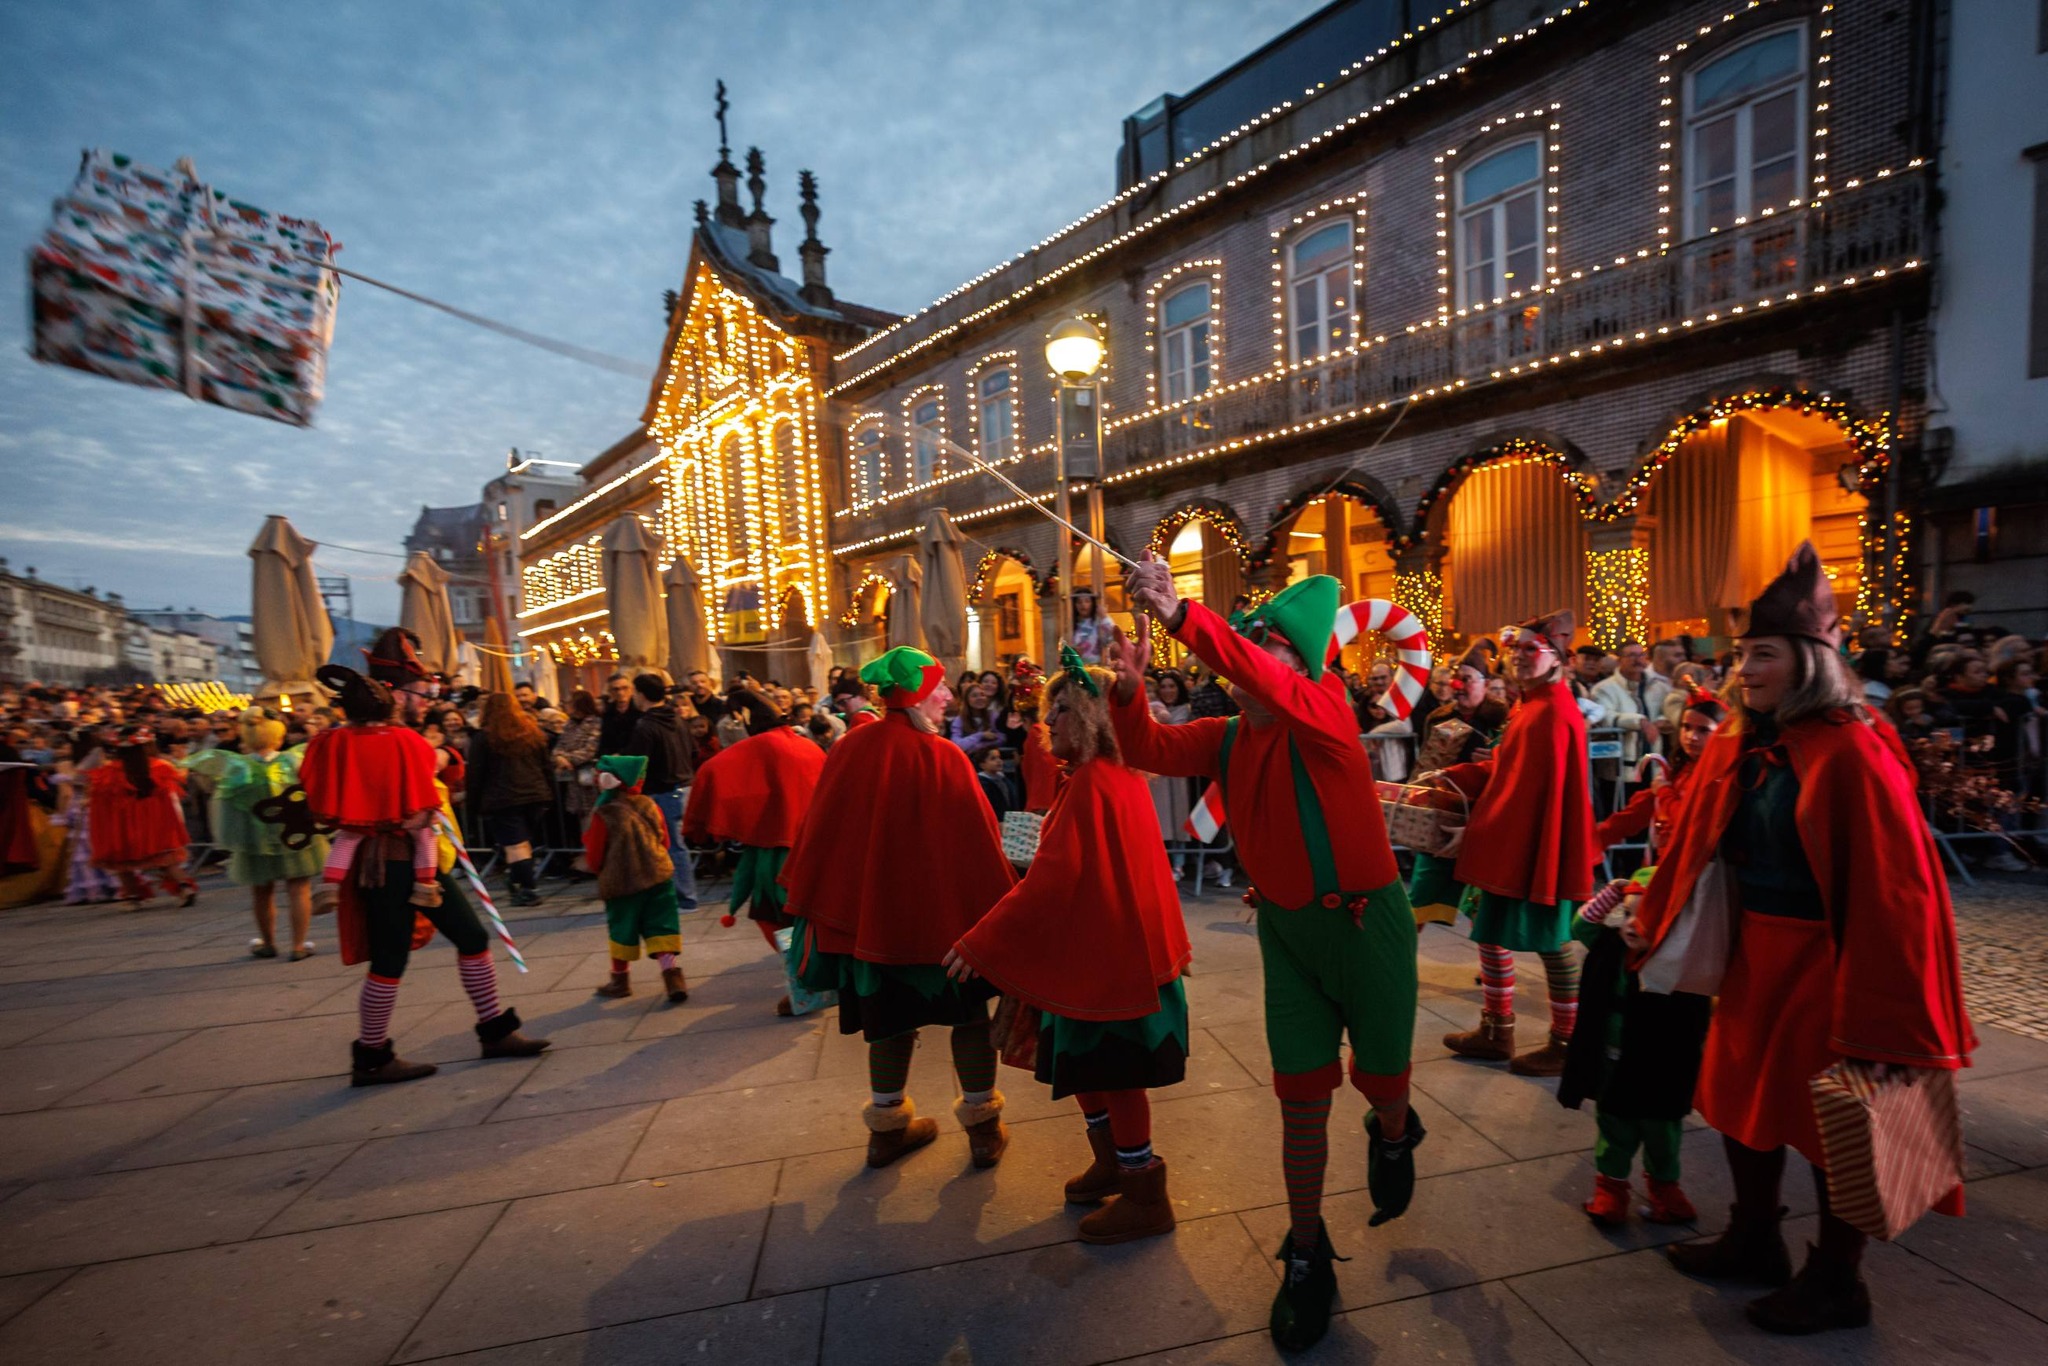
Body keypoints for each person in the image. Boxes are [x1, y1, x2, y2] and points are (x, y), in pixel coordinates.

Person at [1642, 543, 1975, 1335]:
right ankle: (1756, 1237)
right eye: (1740, 654)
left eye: (1763, 654)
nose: (1743, 669)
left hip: (1831, 960)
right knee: (1738, 1097)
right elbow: (1700, 836)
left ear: (1810, 659)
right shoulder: (1744, 737)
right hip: (1754, 949)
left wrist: (1879, 1003)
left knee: (1835, 1117)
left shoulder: (1853, 747)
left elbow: (1893, 887)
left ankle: (1837, 1277)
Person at [1104, 564, 1422, 1353]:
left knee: (1382, 1077)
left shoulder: (1324, 713)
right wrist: (1129, 687)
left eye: (1266, 645)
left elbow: (1259, 677)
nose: (1248, 654)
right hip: (1287, 936)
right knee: (1300, 1098)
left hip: (1366, 929)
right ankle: (1307, 1252)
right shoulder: (1232, 735)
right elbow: (1145, 745)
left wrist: (1184, 615)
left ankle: (1392, 1129)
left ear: (1303, 667)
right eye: (1248, 642)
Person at [945, 646, 1193, 1245]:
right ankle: (1114, 1162)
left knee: (1114, 1070)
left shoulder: (1090, 784)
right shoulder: (1106, 777)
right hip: (1109, 956)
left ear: (1090, 719)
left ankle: (1142, 1192)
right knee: (1092, 1066)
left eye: (1059, 710)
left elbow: (1052, 880)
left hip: (1106, 964)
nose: (1047, 721)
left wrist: (981, 942)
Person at [779, 646, 1018, 1170]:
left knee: (888, 1024)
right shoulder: (945, 756)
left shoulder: (850, 748)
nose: (949, 695)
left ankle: (887, 1132)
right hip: (945, 925)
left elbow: (823, 833)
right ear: (915, 696)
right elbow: (978, 844)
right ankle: (983, 1129)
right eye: (939, 687)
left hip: (873, 925)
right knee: (970, 1020)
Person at [294, 632, 550, 1086]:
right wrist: (441, 758)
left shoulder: (337, 741)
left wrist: (439, 756)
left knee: (471, 937)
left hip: (413, 861)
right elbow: (430, 775)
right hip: (391, 862)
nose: (428, 700)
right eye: (421, 693)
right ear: (392, 693)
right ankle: (372, 1057)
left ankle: (494, 1031)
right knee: (390, 959)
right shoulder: (397, 742)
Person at [1560, 687, 1727, 1228]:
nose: (1695, 737)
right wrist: (1592, 848)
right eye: (1690, 728)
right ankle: (1614, 1185)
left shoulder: (1721, 784)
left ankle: (1663, 1184)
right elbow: (1631, 821)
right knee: (1620, 1111)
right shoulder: (1671, 784)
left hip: (1693, 901)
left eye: (1705, 729)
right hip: (1652, 892)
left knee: (1664, 1108)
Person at [1425, 614, 1597, 1076]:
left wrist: (1478, 827)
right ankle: (1497, 1030)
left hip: (1537, 847)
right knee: (1487, 929)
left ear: (1557, 659)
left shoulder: (1554, 713)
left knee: (1554, 941)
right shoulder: (1530, 705)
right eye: (1514, 649)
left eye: (1529, 650)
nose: (1518, 657)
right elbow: (1506, 770)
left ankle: (1566, 1041)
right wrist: (1454, 776)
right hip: (1510, 841)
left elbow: (1531, 794)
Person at [683, 689, 830, 1016]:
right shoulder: (807, 744)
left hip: (779, 854)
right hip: (815, 849)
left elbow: (710, 772)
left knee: (776, 921)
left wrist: (698, 825)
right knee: (808, 919)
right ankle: (814, 975)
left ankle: (804, 980)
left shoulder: (761, 746)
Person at [183, 706, 325, 959]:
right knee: (299, 888)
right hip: (293, 835)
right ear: (278, 736)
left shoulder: (237, 767)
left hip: (254, 840)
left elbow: (227, 809)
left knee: (261, 891)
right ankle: (298, 946)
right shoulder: (294, 760)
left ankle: (268, 943)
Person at [1407, 646, 1512, 927]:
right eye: (1457, 678)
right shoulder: (1439, 717)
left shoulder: (1503, 718)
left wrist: (1497, 757)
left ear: (1486, 684)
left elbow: (1517, 768)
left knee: (1486, 908)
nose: (1459, 686)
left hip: (1484, 817)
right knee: (1421, 895)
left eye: (1467, 679)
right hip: (1444, 813)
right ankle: (1402, 964)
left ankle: (1494, 970)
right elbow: (1426, 765)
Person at [584, 754, 688, 1003]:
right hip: (658, 875)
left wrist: (598, 870)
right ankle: (672, 977)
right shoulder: (648, 804)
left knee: (622, 927)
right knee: (661, 925)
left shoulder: (604, 813)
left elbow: (596, 853)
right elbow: (665, 840)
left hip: (622, 882)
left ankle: (620, 981)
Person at [88, 726, 198, 907]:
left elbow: (101, 804)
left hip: (124, 828)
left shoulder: (109, 772)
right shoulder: (159, 767)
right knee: (167, 860)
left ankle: (132, 897)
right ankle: (185, 888)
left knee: (123, 864)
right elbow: (173, 793)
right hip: (154, 825)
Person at [467, 692, 558, 907]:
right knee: (522, 844)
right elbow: (546, 765)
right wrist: (549, 793)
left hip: (503, 797)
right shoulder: (532, 733)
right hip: (535, 794)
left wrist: (473, 803)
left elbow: (476, 774)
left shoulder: (484, 738)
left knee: (515, 845)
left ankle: (527, 889)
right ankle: (518, 881)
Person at [623, 673, 699, 911]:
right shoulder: (677, 719)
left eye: (634, 692)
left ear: (642, 694)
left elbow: (637, 762)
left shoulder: (646, 725)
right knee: (672, 844)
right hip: (683, 786)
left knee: (673, 846)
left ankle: (685, 898)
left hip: (664, 789)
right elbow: (693, 751)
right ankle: (672, 894)